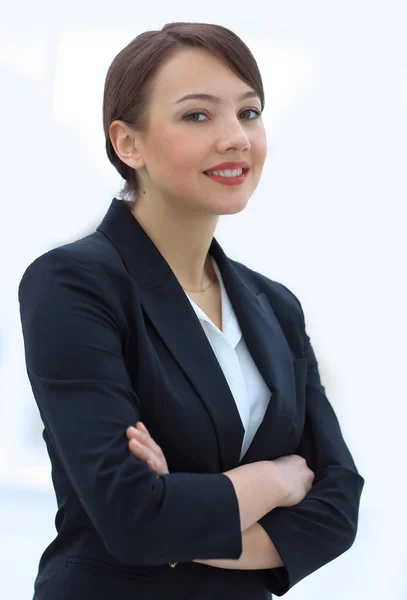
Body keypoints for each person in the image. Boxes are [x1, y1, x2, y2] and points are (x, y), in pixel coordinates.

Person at [18, 22, 364, 600]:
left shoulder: (275, 306)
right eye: (197, 115)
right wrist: (274, 479)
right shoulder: (72, 284)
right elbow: (133, 518)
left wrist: (180, 519)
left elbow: (337, 508)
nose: (236, 138)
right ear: (128, 143)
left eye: (249, 112)